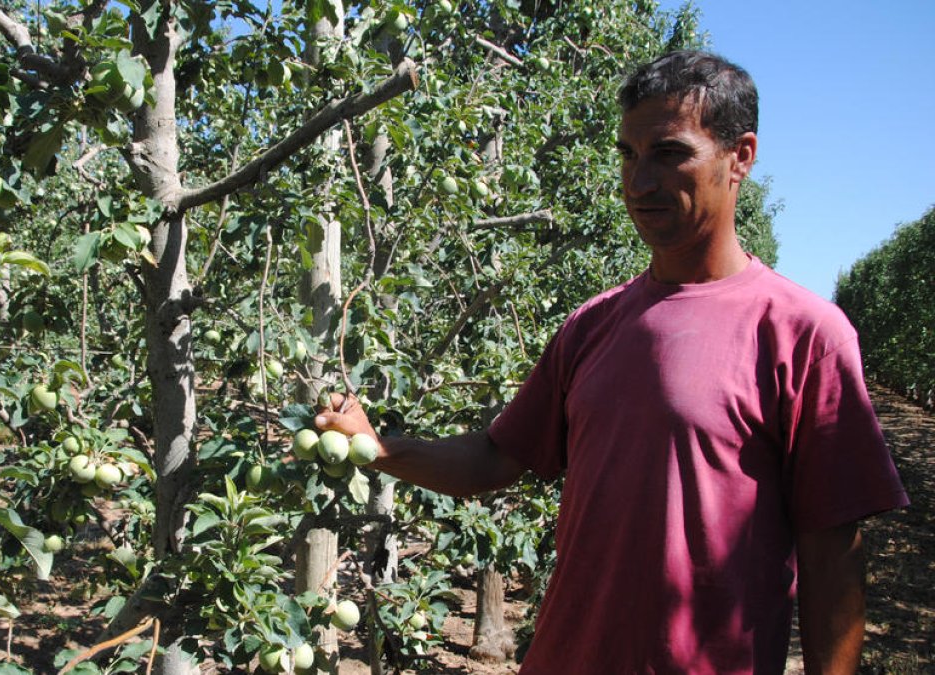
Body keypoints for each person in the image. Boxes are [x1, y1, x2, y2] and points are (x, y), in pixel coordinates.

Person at [314, 50, 909, 674]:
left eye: (669, 153)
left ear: (741, 156)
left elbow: (832, 554)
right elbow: (494, 457)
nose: (639, 182)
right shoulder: (592, 324)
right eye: (628, 154)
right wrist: (380, 447)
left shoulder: (804, 335)